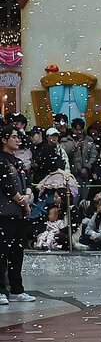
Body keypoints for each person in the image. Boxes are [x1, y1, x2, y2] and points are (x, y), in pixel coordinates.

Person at [0, 126, 33, 302]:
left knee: (17, 252)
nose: (17, 140)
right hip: (4, 213)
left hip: (19, 213)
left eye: (18, 137)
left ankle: (17, 288)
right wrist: (20, 199)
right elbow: (6, 185)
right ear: (4, 140)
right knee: (2, 252)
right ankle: (1, 290)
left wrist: (26, 197)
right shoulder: (1, 161)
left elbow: (28, 180)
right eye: (13, 137)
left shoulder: (18, 162)